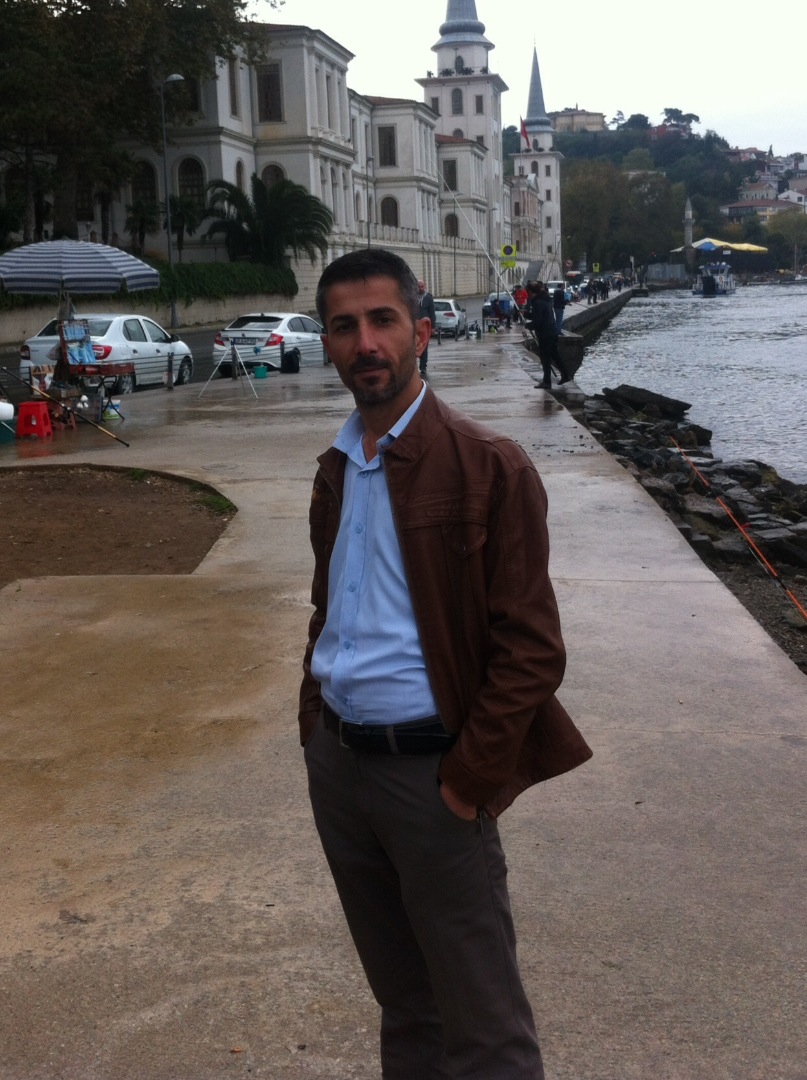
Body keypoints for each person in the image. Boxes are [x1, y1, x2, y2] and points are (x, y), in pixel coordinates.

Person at [299, 248, 592, 1080]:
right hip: (340, 768)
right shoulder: (335, 468)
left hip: (431, 777)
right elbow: (329, 608)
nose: (365, 343)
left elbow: (531, 646)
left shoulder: (487, 464)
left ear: (420, 333)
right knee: (405, 1004)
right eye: (345, 326)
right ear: (328, 344)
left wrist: (467, 781)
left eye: (382, 320)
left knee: (483, 1022)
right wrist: (313, 727)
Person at [417, 278, 436, 375]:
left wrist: (433, 327)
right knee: (412, 346)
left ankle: (423, 366)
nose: (420, 288)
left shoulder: (428, 298)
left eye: (422, 286)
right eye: (419, 286)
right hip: (415, 325)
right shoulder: (412, 297)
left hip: (425, 326)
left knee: (424, 346)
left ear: (424, 287)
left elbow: (432, 312)